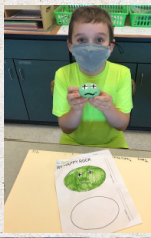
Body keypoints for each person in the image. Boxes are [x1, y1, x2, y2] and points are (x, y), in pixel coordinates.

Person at [53, 6, 132, 148]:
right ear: (70, 46)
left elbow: (122, 125)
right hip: (73, 141)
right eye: (82, 39)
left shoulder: (122, 73)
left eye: (99, 39)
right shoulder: (62, 74)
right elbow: (66, 128)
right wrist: (76, 109)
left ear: (111, 46)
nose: (90, 48)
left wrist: (108, 108)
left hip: (112, 141)